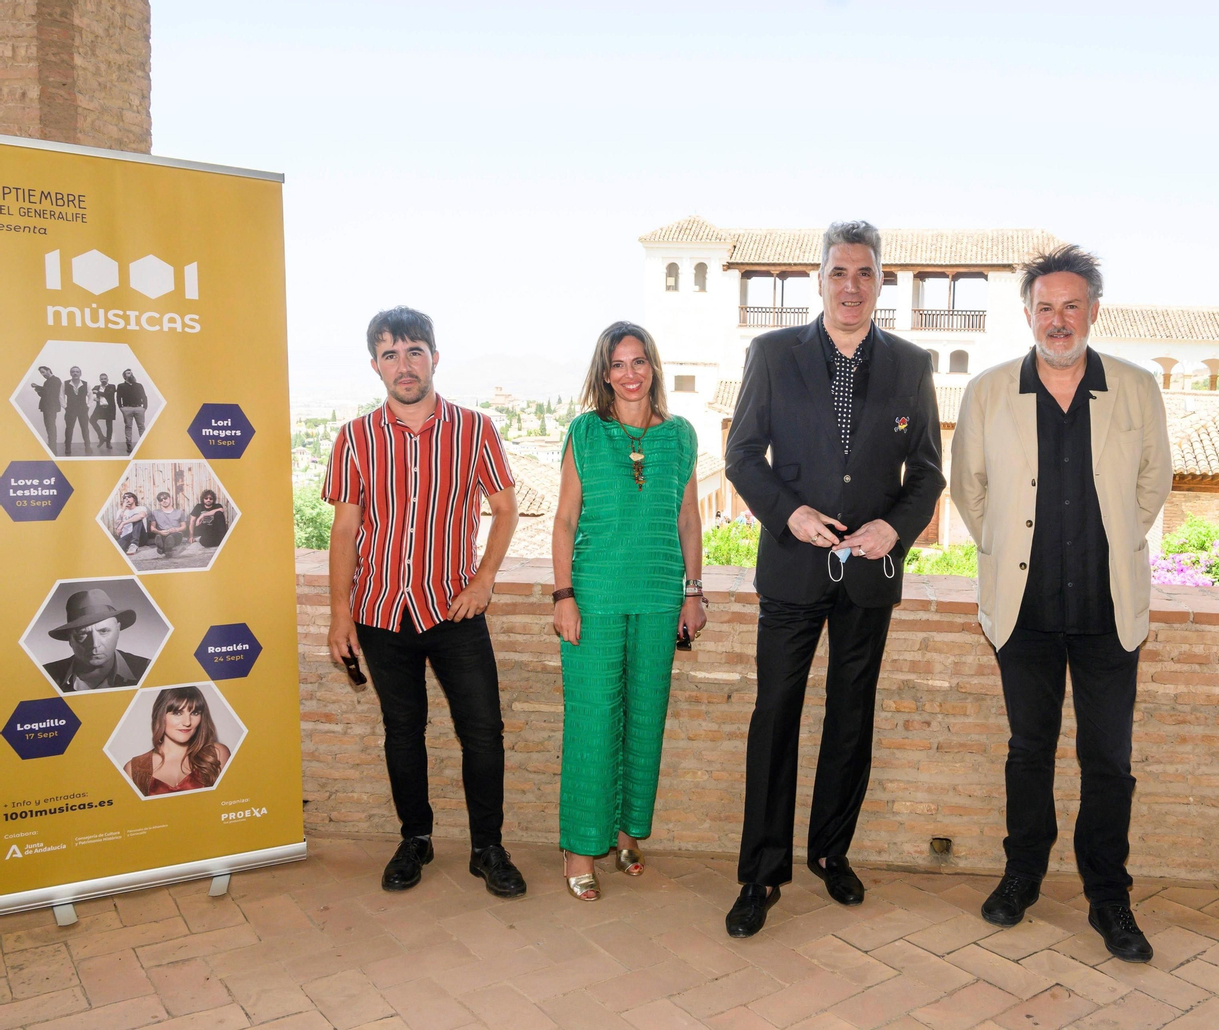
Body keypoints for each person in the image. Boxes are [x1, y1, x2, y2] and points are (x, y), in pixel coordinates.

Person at [950, 245, 1172, 961]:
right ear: (1028, 315)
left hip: (1111, 613)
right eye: (1045, 307)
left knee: (1109, 759)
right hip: (1025, 614)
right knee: (1028, 753)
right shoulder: (986, 393)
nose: (1058, 319)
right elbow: (968, 489)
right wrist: (1011, 551)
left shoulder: (1137, 388)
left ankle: (1110, 897)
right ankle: (1022, 876)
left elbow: (1153, 484)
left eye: (1071, 305)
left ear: (1094, 311)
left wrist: (1110, 544)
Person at [723, 220, 943, 938]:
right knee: (776, 716)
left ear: (882, 282)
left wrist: (895, 529)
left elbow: (929, 474)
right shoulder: (773, 353)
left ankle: (830, 851)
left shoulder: (912, 363)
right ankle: (761, 872)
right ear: (819, 279)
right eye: (839, 272)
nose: (851, 286)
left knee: (852, 719)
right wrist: (788, 516)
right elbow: (744, 456)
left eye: (865, 273)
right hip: (792, 568)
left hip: (869, 577)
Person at [324, 306, 526, 898]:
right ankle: (415, 839)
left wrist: (484, 578)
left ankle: (488, 848)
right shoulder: (354, 438)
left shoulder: (475, 429)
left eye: (414, 351)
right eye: (389, 354)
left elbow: (506, 508)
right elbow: (343, 531)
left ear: (434, 358)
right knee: (402, 731)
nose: (403, 364)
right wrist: (341, 616)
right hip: (382, 612)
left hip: (455, 611)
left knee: (484, 732)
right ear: (375, 366)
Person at [549, 322, 706, 903]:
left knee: (644, 719)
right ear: (604, 373)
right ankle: (578, 849)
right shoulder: (586, 434)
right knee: (592, 722)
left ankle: (624, 833)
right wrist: (563, 596)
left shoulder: (682, 436)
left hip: (661, 597)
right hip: (592, 598)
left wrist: (694, 591)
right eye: (618, 364)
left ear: (653, 368)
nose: (630, 373)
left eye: (639, 362)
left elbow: (689, 519)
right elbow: (564, 521)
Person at [123, 686, 232, 797]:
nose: (187, 722)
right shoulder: (134, 769)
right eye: (177, 713)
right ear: (160, 715)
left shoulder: (216, 754)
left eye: (194, 713)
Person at [42, 588, 150, 691]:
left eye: (104, 631)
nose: (94, 644)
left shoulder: (147, 669)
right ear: (70, 639)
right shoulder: (45, 676)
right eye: (82, 634)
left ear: (118, 630)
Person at [148, 491, 190, 558]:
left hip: (176, 533)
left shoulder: (179, 512)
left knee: (171, 537)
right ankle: (163, 547)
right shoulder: (155, 513)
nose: (163, 501)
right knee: (159, 536)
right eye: (161, 500)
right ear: (159, 502)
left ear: (170, 498)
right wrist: (159, 532)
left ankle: (164, 549)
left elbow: (184, 527)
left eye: (165, 498)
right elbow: (152, 528)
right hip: (162, 532)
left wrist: (176, 529)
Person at [116, 370, 148, 453]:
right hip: (127, 408)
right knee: (128, 426)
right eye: (128, 373)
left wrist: (144, 407)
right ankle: (129, 444)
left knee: (141, 426)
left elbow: (144, 396)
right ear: (124, 376)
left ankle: (143, 444)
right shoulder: (121, 386)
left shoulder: (139, 385)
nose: (130, 374)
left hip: (138, 408)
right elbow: (118, 397)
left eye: (131, 373)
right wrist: (121, 408)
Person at [61, 367, 90, 455]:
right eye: (73, 372)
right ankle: (68, 448)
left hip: (83, 410)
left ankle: (88, 447)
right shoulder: (65, 383)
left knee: (85, 429)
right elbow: (61, 396)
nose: (75, 373)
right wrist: (65, 407)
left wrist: (88, 406)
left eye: (77, 372)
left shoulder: (86, 384)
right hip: (70, 410)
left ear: (80, 373)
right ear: (70, 373)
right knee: (69, 429)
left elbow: (91, 396)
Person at [32, 366, 61, 452]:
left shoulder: (56, 380)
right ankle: (51, 445)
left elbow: (51, 393)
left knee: (50, 426)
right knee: (49, 426)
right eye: (41, 373)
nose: (42, 374)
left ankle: (52, 446)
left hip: (51, 407)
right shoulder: (47, 382)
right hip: (47, 407)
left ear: (49, 370)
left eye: (43, 372)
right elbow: (44, 394)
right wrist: (38, 390)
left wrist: (38, 387)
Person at [91, 373, 117, 449]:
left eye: (105, 378)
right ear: (99, 380)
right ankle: (101, 437)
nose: (103, 380)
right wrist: (93, 398)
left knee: (109, 425)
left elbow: (108, 394)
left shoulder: (112, 386)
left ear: (107, 379)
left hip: (109, 408)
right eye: (102, 379)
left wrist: (97, 392)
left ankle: (108, 442)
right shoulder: (96, 387)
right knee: (92, 420)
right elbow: (89, 392)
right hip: (99, 408)